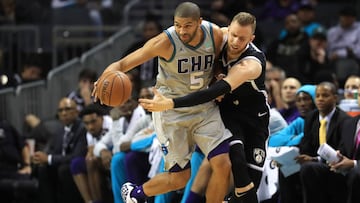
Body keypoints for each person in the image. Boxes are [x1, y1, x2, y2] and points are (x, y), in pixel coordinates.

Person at [92, 2, 232, 203]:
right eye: (178, 25)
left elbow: (219, 61)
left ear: (200, 22)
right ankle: (136, 194)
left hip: (204, 108)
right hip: (170, 111)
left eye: (188, 26)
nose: (182, 31)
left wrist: (218, 75)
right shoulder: (165, 41)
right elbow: (122, 64)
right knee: (179, 178)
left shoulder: (215, 34)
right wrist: (105, 77)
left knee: (222, 163)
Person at [140, 11, 269, 203]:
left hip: (254, 118)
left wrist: (171, 103)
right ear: (228, 30)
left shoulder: (251, 63)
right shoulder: (220, 38)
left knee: (249, 189)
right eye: (233, 35)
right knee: (235, 157)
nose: (235, 41)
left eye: (242, 39)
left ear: (251, 39)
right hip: (227, 113)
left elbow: (211, 92)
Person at [297, 82, 350, 203]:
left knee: (309, 168)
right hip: (313, 164)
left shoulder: (344, 120)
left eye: (325, 95)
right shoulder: (311, 117)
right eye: (317, 96)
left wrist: (315, 159)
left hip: (335, 167)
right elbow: (305, 145)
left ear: (335, 98)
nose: (320, 99)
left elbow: (343, 151)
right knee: (285, 171)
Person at [32, 97, 87, 203]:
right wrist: (40, 157)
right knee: (43, 168)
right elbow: (52, 151)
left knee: (64, 170)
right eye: (61, 110)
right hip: (61, 165)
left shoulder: (82, 129)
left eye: (67, 109)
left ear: (76, 112)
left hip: (77, 166)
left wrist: (48, 158)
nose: (64, 113)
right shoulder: (59, 131)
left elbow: (76, 156)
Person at [70, 104, 113, 203]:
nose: (90, 127)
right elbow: (90, 151)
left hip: (113, 155)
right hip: (99, 159)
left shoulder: (111, 124)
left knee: (91, 161)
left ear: (102, 118)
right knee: (77, 164)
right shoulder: (89, 132)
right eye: (86, 123)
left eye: (93, 122)